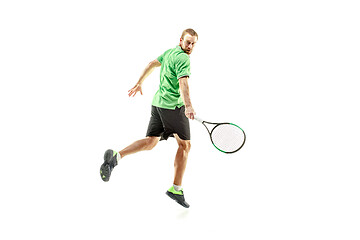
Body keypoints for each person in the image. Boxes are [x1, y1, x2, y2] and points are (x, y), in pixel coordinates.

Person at [100, 29, 198, 208]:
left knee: (151, 141)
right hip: (173, 107)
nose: (190, 46)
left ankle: (116, 157)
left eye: (193, 43)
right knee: (185, 145)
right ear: (181, 40)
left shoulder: (170, 52)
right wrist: (189, 106)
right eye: (188, 42)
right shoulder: (183, 58)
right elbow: (183, 83)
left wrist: (139, 83)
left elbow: (152, 64)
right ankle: (176, 188)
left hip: (157, 103)